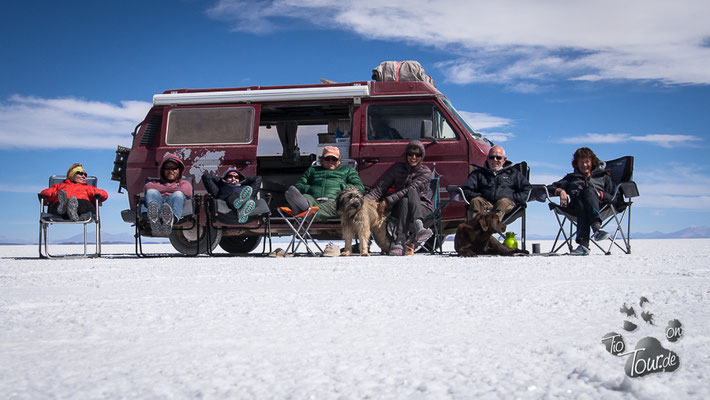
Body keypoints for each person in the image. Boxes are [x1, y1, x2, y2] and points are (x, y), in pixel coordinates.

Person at [367, 140, 434, 256]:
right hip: (399, 207)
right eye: (410, 154)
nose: (413, 157)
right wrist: (366, 201)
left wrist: (387, 201)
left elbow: (409, 189)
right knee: (404, 200)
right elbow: (380, 187)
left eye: (417, 155)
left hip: (422, 207)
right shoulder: (397, 169)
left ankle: (400, 242)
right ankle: (419, 228)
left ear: (422, 156)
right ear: (406, 155)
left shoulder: (425, 172)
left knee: (411, 191)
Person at [548, 147, 615, 255]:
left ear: (592, 162)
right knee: (582, 197)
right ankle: (597, 228)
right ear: (576, 164)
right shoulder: (571, 178)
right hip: (575, 208)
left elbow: (615, 197)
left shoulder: (603, 177)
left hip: (601, 207)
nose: (584, 165)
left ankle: (583, 245)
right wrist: (560, 191)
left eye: (587, 161)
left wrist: (600, 194)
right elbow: (550, 187)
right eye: (581, 162)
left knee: (588, 191)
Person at [285, 146, 364, 223]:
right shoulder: (312, 170)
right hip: (313, 199)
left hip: (334, 200)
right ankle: (303, 208)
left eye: (334, 159)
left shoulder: (348, 170)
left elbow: (360, 188)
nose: (330, 161)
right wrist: (309, 189)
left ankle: (300, 211)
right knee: (305, 197)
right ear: (321, 160)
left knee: (324, 208)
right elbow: (299, 185)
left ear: (339, 160)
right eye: (327, 159)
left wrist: (344, 188)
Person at [461, 145, 531, 221]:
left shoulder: (513, 173)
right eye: (492, 157)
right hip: (486, 205)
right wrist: (481, 196)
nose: (495, 160)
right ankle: (475, 230)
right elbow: (466, 190)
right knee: (476, 201)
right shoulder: (478, 173)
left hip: (507, 205)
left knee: (503, 202)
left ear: (504, 160)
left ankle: (491, 227)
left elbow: (527, 189)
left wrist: (513, 197)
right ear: (487, 159)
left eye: (498, 158)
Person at [142, 153, 192, 236]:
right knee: (151, 192)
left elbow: (188, 191)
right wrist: (171, 188)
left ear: (179, 170)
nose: (170, 171)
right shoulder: (155, 182)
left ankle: (170, 219)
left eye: (174, 168)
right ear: (163, 170)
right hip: (158, 203)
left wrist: (162, 189)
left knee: (178, 194)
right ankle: (155, 220)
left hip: (174, 204)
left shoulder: (184, 183)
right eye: (167, 168)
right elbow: (147, 187)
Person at [40, 163, 108, 221]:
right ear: (72, 176)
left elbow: (104, 194)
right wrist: (56, 194)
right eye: (80, 173)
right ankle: (65, 207)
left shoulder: (87, 187)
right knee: (58, 204)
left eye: (85, 175)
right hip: (60, 207)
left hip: (81, 206)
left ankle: (70, 209)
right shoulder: (59, 186)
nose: (83, 176)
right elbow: (44, 193)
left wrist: (97, 195)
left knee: (81, 203)